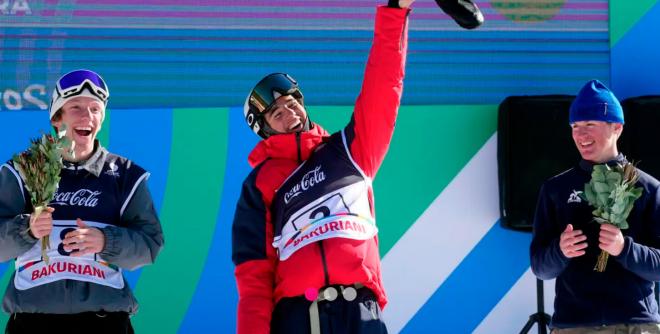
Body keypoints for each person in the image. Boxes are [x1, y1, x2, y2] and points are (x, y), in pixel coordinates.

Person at [231, 1, 483, 333]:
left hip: (361, 311)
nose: (288, 112)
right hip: (299, 316)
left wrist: (396, 11)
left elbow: (383, 87)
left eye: (291, 103)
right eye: (276, 112)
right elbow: (253, 274)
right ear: (264, 129)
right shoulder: (260, 183)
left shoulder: (349, 151)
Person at [0, 69, 164, 333]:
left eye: (95, 109)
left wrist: (106, 241)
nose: (87, 116)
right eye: (75, 107)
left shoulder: (125, 176)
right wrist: (27, 229)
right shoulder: (22, 171)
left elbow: (150, 245)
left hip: (104, 322)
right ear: (57, 117)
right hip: (33, 322)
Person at [530, 80, 660, 333]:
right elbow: (540, 268)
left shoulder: (648, 188)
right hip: (574, 325)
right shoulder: (555, 189)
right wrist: (560, 250)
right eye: (575, 126)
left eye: (590, 124)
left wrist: (624, 249)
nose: (580, 134)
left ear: (617, 128)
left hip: (635, 325)